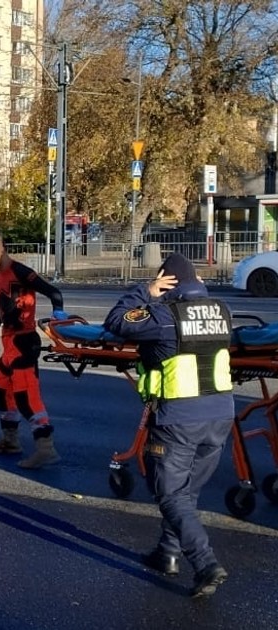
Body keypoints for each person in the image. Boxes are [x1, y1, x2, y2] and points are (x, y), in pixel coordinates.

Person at [103, 253, 234, 598]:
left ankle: (205, 563)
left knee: (170, 493)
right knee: (186, 492)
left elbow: (116, 322)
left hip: (180, 418)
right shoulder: (221, 311)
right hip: (220, 417)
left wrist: (145, 290)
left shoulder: (164, 314)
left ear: (167, 281)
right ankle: (168, 553)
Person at [0, 229, 68, 469]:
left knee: (27, 398)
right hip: (9, 342)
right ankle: (10, 441)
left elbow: (54, 292)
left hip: (25, 342)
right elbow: (1, 307)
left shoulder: (20, 271)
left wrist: (58, 311)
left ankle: (46, 448)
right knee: (1, 392)